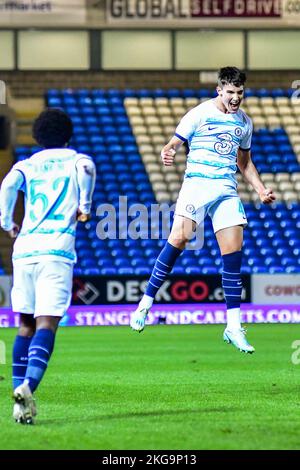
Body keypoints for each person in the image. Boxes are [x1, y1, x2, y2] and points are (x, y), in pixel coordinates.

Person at [130, 66, 276, 353]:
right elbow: (173, 143)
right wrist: (168, 151)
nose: (235, 98)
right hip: (196, 186)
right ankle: (145, 303)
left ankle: (233, 326)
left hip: (225, 190)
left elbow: (244, 164)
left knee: (233, 257)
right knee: (179, 240)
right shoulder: (199, 113)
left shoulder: (245, 123)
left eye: (240, 93)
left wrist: (260, 189)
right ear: (219, 90)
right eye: (230, 92)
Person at [0, 108, 96, 424]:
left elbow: (8, 185)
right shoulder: (76, 160)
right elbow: (87, 169)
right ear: (68, 135)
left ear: (37, 138)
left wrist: (6, 221)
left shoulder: (26, 165)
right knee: (46, 325)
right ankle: (27, 387)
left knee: (24, 326)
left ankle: (19, 403)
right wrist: (84, 206)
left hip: (24, 250)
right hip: (56, 251)